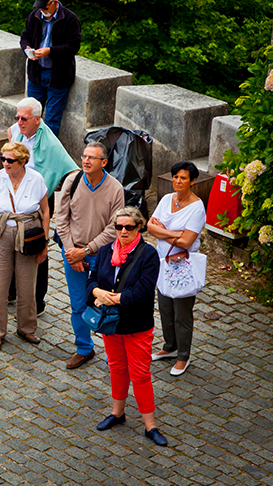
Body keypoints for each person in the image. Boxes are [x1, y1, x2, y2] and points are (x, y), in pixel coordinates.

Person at [86, 207, 167, 446]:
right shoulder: (104, 252)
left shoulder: (148, 254)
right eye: (119, 227)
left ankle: (150, 425)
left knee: (140, 374)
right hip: (111, 325)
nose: (123, 231)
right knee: (117, 368)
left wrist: (112, 298)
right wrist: (98, 291)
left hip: (137, 325)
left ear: (138, 228)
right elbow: (91, 281)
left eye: (128, 227)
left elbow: (143, 292)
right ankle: (117, 413)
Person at [56, 142, 125, 369]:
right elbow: (61, 219)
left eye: (91, 158)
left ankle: (113, 353)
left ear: (103, 163)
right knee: (78, 305)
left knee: (106, 304)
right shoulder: (72, 181)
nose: (85, 161)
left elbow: (114, 228)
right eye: (84, 156)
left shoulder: (115, 189)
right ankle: (84, 349)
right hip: (72, 254)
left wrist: (85, 251)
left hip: (102, 257)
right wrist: (70, 252)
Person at [7, 97, 78, 315]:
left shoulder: (50, 142)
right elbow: (10, 138)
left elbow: (72, 171)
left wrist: (56, 187)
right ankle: (11, 291)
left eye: (25, 118)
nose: (20, 122)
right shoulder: (16, 130)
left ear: (37, 119)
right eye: (18, 117)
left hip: (39, 200)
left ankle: (38, 301)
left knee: (36, 245)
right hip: (15, 196)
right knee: (10, 242)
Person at [0, 142, 49, 347]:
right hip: (2, 231)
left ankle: (26, 328)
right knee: (0, 284)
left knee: (27, 284)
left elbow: (46, 211)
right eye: (3, 159)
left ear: (23, 161)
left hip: (28, 232)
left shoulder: (36, 179)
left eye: (10, 160)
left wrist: (45, 242)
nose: (5, 163)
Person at [147, 161, 207, 377]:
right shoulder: (166, 199)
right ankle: (170, 346)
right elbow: (149, 226)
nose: (178, 181)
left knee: (182, 313)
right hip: (162, 262)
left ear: (192, 181)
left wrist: (164, 231)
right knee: (165, 307)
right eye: (175, 177)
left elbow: (187, 241)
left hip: (183, 265)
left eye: (183, 178)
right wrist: (175, 233)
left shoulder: (197, 207)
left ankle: (183, 355)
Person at [19, 0, 82, 136]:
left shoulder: (70, 19)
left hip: (58, 76)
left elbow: (73, 46)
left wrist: (50, 51)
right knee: (30, 116)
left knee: (52, 119)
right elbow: (25, 36)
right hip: (36, 74)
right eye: (39, 7)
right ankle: (28, 149)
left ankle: (47, 152)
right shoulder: (34, 16)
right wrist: (27, 48)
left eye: (45, 7)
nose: (42, 10)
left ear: (54, 2)